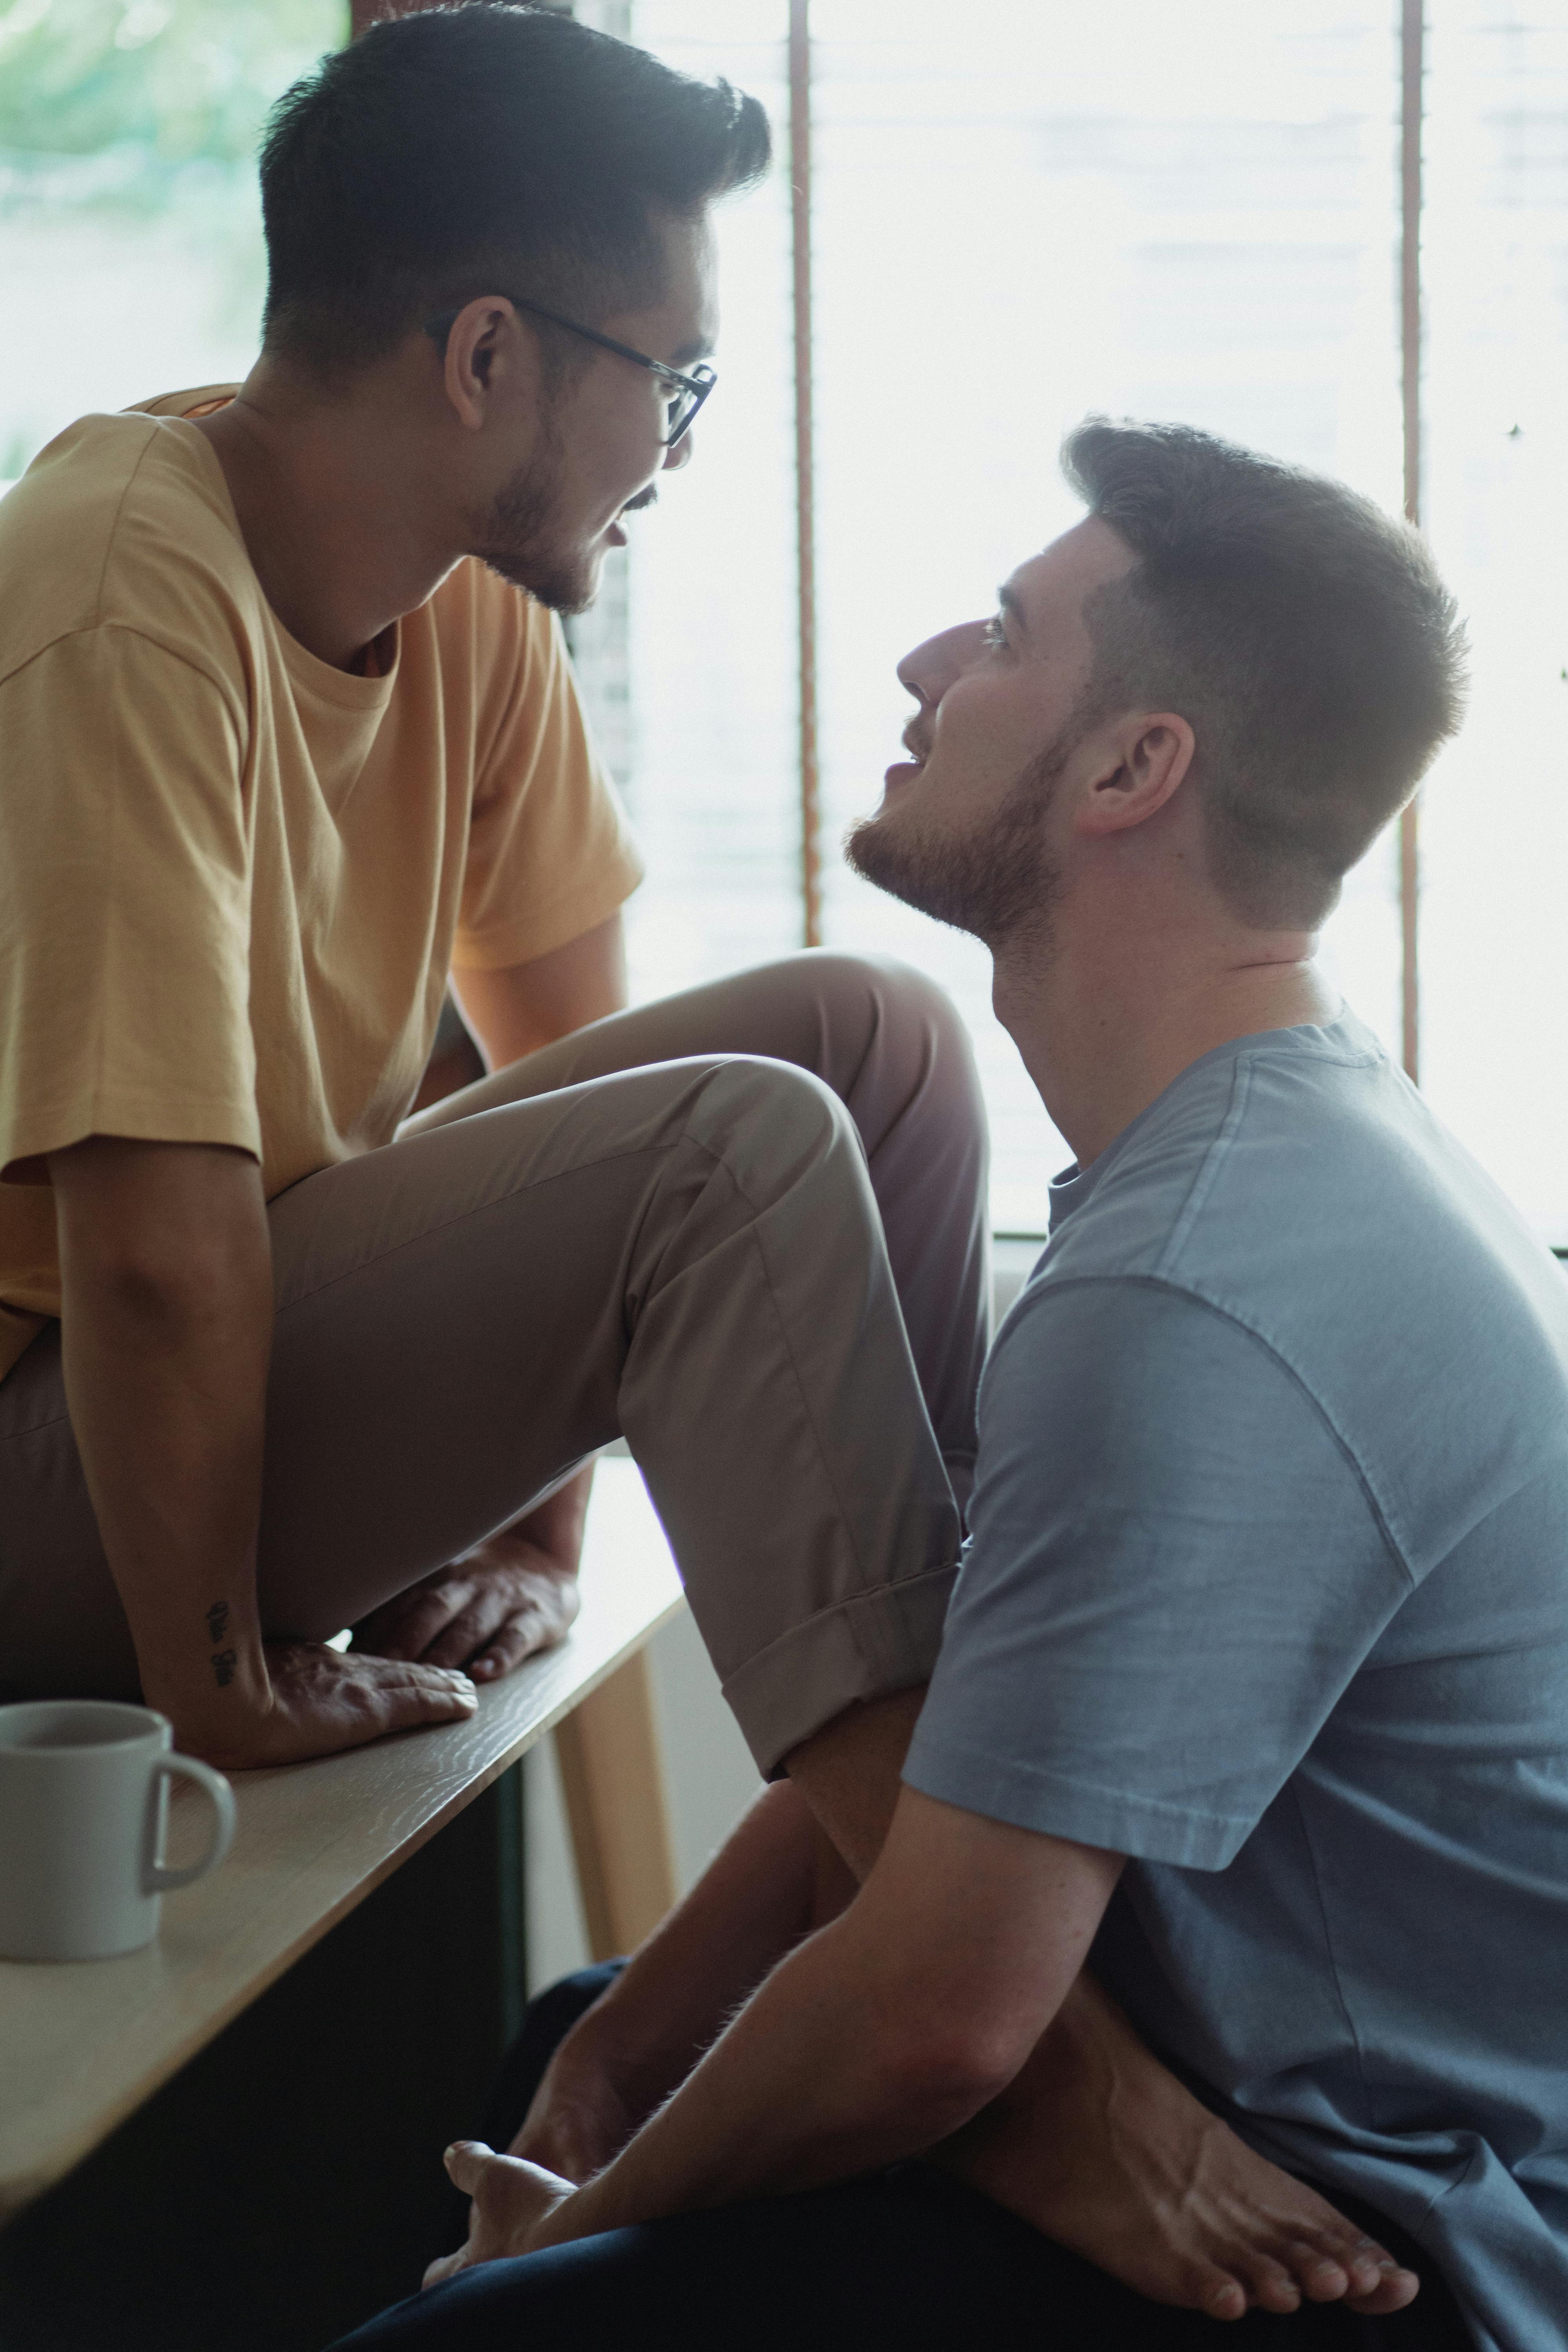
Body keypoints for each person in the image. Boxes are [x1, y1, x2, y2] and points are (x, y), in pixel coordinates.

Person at [331, 422, 1568, 2352]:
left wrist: (552, 2252)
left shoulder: (1198, 1281)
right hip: (1246, 2103)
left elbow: (938, 2019)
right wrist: (619, 2068)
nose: (923, 667)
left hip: (1366, 2244)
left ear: (1132, 769)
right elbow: (960, 1733)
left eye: (1000, 637)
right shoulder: (1242, 1155)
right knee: (575, 2032)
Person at [0, 4, 992, 1767]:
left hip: (237, 1340)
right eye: (670, 379)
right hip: (55, 1437)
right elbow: (149, 1256)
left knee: (874, 1037)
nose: (677, 450)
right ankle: (946, 1932)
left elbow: (563, 1081)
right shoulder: (118, 594)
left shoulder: (461, 590)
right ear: (483, 359)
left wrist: (535, 1539)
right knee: (729, 1152)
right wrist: (220, 1685)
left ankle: (981, 1761)